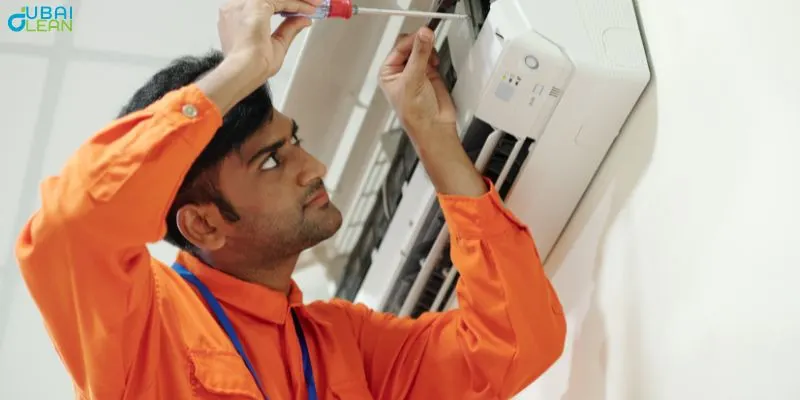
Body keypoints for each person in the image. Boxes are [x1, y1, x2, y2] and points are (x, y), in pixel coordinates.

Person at [14, 0, 566, 398]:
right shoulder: (146, 331)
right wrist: (241, 69)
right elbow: (72, 226)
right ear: (203, 225)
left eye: (293, 142)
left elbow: (514, 342)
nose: (315, 167)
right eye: (272, 161)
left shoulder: (343, 344)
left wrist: (435, 141)